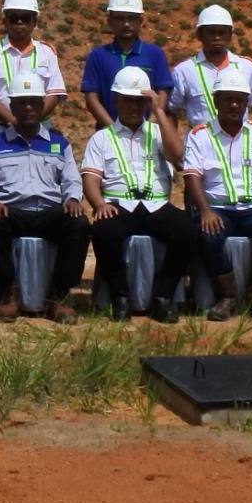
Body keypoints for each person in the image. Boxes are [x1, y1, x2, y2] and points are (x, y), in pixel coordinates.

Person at [80, 67, 196, 322]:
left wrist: (159, 112)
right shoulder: (101, 138)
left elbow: (178, 156)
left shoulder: (158, 133)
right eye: (128, 100)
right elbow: (90, 180)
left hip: (156, 206)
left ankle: (164, 297)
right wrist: (99, 204)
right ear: (116, 101)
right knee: (103, 231)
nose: (134, 106)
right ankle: (120, 297)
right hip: (119, 205)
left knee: (187, 230)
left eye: (139, 101)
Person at [0, 73, 87, 323]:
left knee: (79, 224)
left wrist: (72, 199)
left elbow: (72, 179)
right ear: (12, 107)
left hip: (49, 212)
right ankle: (8, 290)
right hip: (11, 211)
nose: (28, 108)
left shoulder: (59, 144)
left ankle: (59, 292)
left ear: (42, 106)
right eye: (21, 102)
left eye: (34, 102)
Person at [180, 65, 252, 322]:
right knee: (208, 235)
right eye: (228, 99)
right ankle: (226, 297)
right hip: (217, 208)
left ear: (247, 103)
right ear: (216, 101)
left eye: (240, 100)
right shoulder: (200, 135)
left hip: (250, 209)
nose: (234, 105)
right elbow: (192, 176)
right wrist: (204, 211)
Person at [168, 3, 252, 142]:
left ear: (230, 34)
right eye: (211, 32)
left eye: (222, 32)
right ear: (199, 34)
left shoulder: (247, 67)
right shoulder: (184, 70)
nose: (217, 37)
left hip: (239, 144)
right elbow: (171, 110)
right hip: (200, 145)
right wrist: (175, 146)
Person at [79, 0, 174, 136]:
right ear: (109, 21)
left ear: (141, 21)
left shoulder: (155, 54)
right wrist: (114, 131)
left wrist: (148, 128)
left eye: (132, 18)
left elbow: (162, 94)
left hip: (148, 136)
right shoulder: (98, 56)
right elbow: (92, 98)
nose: (126, 24)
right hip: (109, 135)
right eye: (120, 18)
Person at [0, 0, 68, 130]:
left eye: (26, 18)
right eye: (13, 18)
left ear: (35, 22)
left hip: (39, 128)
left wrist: (31, 123)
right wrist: (13, 122)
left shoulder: (47, 53)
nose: (19, 22)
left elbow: (54, 93)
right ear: (4, 21)